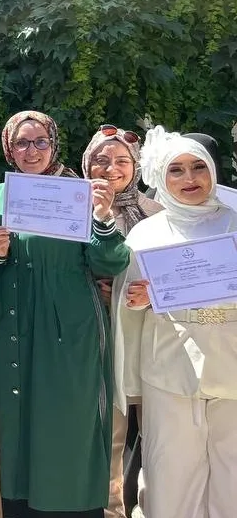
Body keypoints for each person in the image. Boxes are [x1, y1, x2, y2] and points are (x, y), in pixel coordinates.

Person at [0, 111, 129, 518]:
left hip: (68, 329)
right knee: (14, 420)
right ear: (9, 148)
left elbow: (110, 262)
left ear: (53, 144)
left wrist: (102, 218)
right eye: (21, 142)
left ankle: (72, 506)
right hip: (13, 323)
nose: (31, 151)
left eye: (40, 142)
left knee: (66, 421)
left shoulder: (79, 194)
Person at [115, 127, 237, 518]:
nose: (189, 178)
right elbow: (127, 307)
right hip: (168, 368)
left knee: (232, 473)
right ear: (162, 177)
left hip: (231, 364)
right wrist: (137, 300)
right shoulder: (145, 234)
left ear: (213, 171)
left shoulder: (235, 224)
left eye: (198, 167)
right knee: (169, 473)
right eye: (177, 170)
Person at [81, 125, 161, 518]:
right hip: (99, 337)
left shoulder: (158, 214)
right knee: (109, 430)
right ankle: (111, 510)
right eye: (101, 159)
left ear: (136, 166)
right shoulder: (72, 210)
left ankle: (151, 508)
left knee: (157, 434)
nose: (111, 168)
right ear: (87, 164)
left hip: (150, 339)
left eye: (122, 161)